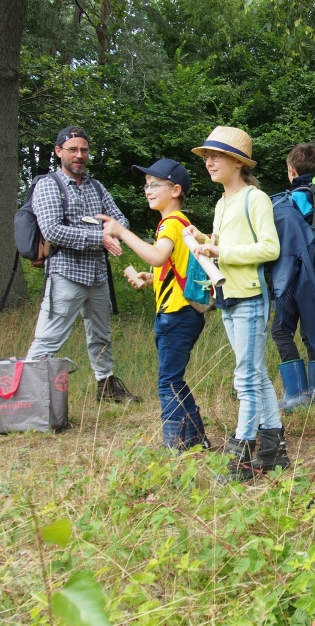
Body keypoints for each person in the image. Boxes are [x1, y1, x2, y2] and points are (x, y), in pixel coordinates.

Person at [182, 126, 288, 481]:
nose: (209, 162)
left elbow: (269, 248)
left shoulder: (254, 198)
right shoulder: (222, 202)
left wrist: (219, 249)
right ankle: (274, 451)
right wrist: (202, 239)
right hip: (226, 297)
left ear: (238, 162)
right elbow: (220, 243)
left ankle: (241, 457)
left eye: (216, 156)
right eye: (207, 157)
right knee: (254, 373)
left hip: (250, 298)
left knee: (245, 377)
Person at [96, 159, 209, 451]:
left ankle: (175, 447)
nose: (148, 190)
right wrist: (151, 279)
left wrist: (121, 232)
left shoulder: (171, 224)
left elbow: (158, 256)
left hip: (176, 315)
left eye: (154, 184)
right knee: (174, 380)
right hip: (182, 314)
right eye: (146, 185)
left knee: (167, 382)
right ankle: (196, 438)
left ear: (175, 190)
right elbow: (171, 264)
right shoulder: (181, 223)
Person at [25, 126, 140, 403]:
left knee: (101, 336)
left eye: (84, 150)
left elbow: (121, 221)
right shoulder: (48, 185)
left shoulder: (96, 186)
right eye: (73, 149)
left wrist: (108, 232)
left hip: (97, 276)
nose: (79, 155)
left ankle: (107, 388)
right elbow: (52, 230)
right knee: (48, 338)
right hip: (65, 274)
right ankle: (25, 396)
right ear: (58, 151)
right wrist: (98, 237)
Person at [272, 142, 315, 409]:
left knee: (281, 330)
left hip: (297, 273)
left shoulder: (295, 197)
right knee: (311, 330)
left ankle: (296, 395)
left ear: (291, 170)